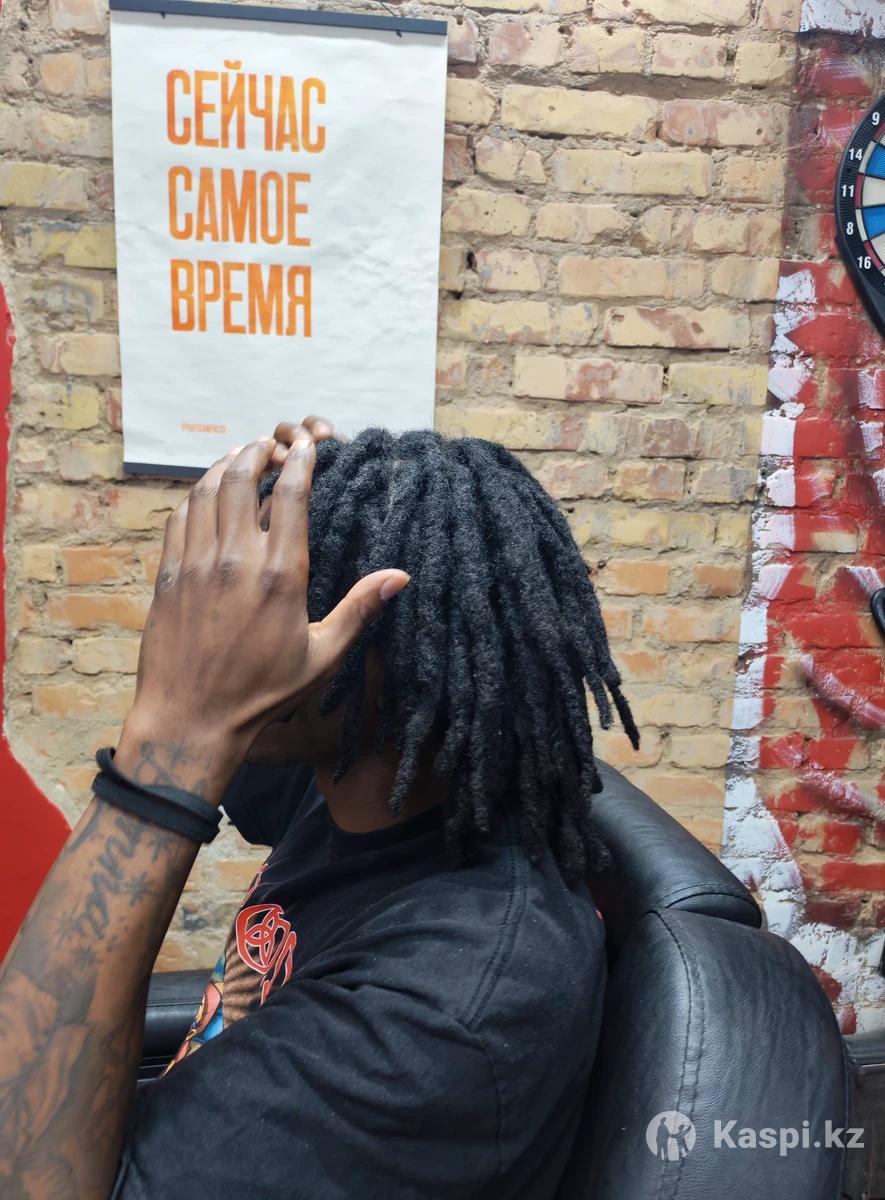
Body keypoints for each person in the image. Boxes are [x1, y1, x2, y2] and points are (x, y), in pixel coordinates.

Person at [0, 416, 638, 1199]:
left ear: (379, 654)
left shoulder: (444, 1010)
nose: (237, 619)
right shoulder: (357, 774)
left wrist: (175, 731)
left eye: (287, 594)